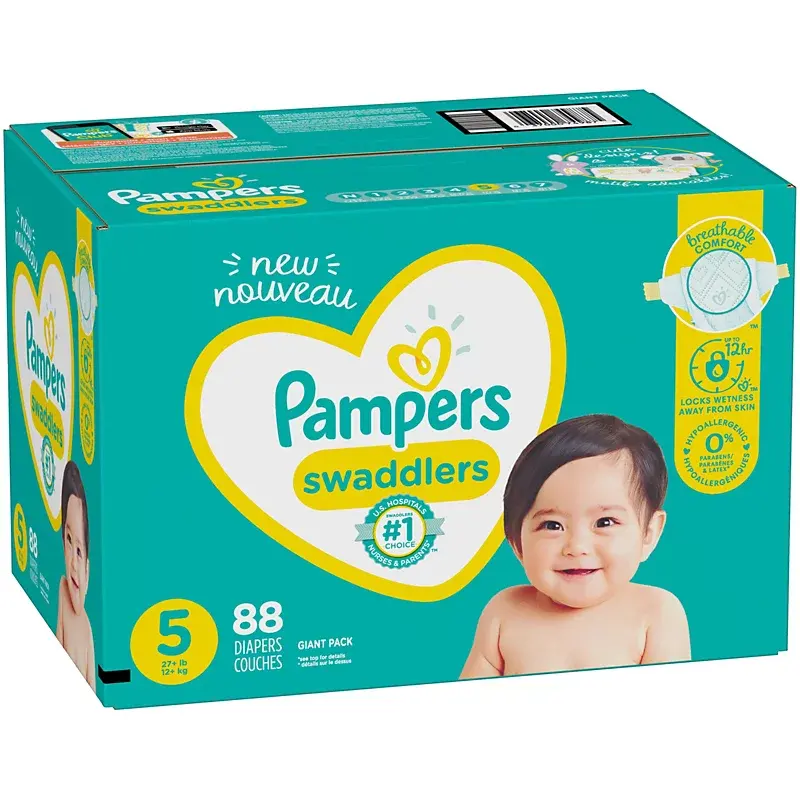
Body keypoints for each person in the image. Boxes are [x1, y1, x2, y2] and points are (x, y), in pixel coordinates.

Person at [461, 414, 690, 678]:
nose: (577, 547)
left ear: (648, 533)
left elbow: (670, 699)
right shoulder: (504, 612)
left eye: (605, 522)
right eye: (552, 525)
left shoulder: (655, 613)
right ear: (516, 542)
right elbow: (465, 698)